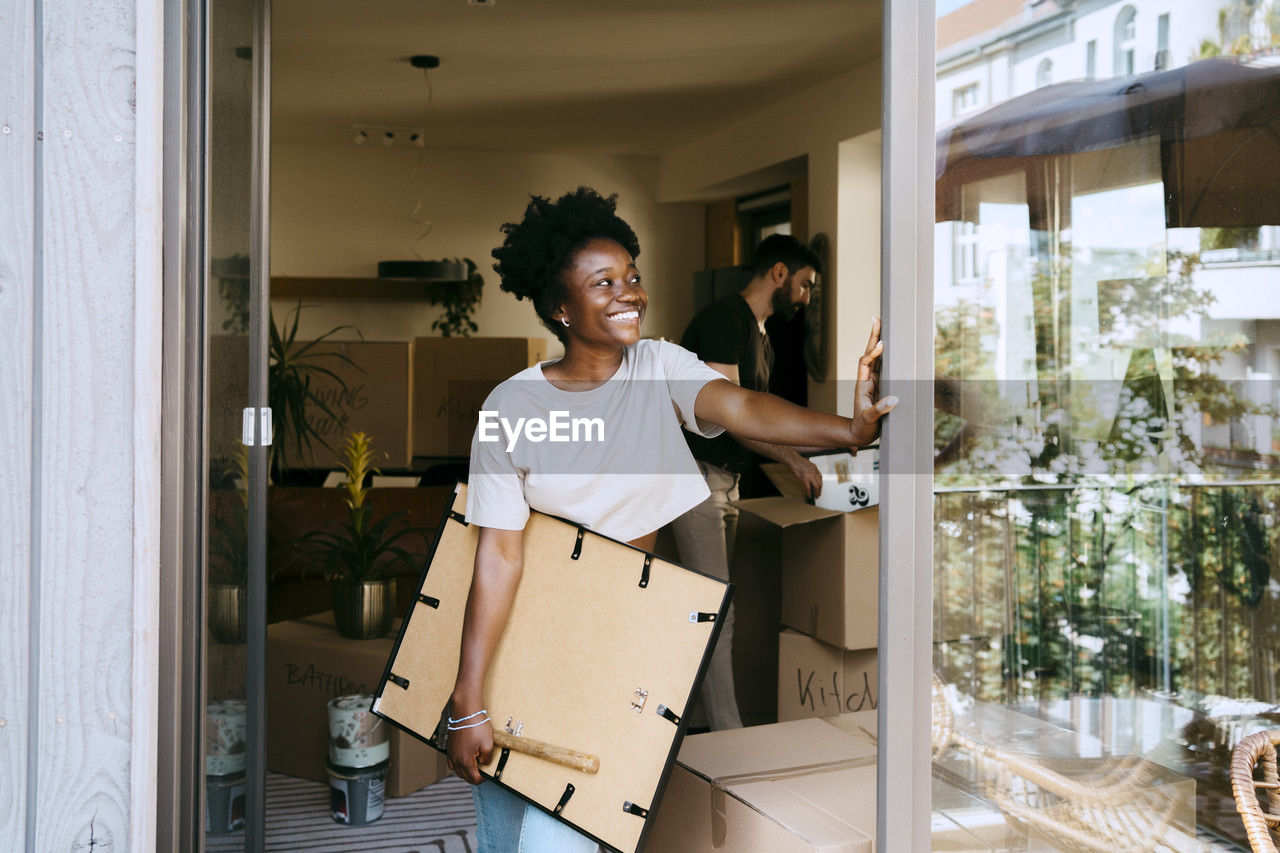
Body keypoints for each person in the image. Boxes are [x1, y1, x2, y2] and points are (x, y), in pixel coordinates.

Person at [445, 187, 894, 852]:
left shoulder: (657, 367)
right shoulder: (511, 406)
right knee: (503, 820)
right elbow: (498, 555)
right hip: (532, 643)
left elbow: (743, 407)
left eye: (632, 276)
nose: (628, 292)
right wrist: (469, 698)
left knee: (562, 832)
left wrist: (848, 430)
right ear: (561, 308)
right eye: (604, 282)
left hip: (621, 645)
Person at [672, 233, 847, 730]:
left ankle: (698, 727)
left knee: (715, 608)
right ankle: (729, 737)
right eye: (805, 285)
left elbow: (762, 420)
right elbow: (734, 416)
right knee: (715, 613)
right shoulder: (724, 321)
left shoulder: (760, 334)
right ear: (778, 273)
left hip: (725, 480)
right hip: (693, 479)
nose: (807, 297)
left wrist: (836, 443)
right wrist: (794, 459)